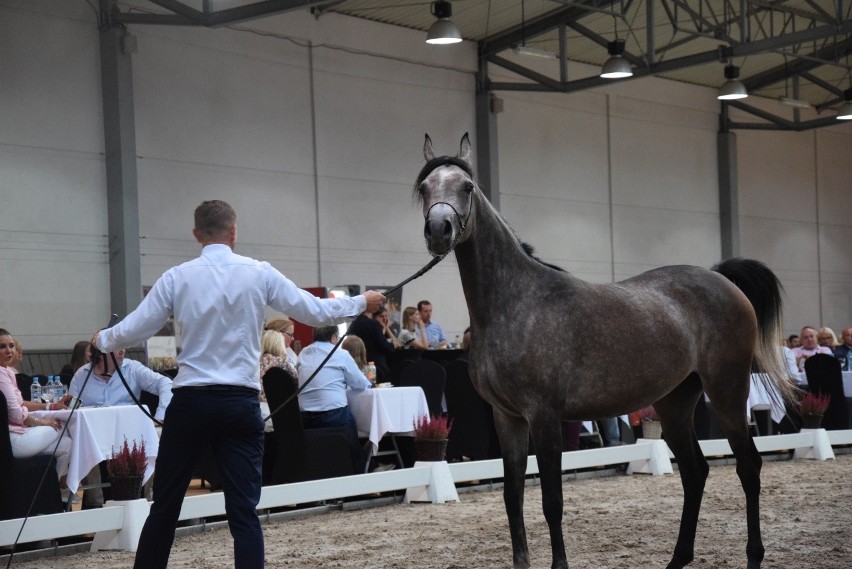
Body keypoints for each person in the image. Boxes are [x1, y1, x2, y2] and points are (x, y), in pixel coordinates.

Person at [92, 200, 384, 569]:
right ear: (234, 232)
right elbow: (315, 310)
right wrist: (363, 301)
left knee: (165, 506)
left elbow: (136, 327)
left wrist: (102, 340)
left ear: (196, 234)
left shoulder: (177, 276)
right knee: (244, 512)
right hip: (240, 404)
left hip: (191, 402)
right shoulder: (259, 273)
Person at [69, 348, 174, 507]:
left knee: (158, 435)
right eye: (117, 346)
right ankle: (95, 502)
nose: (123, 350)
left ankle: (146, 498)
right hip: (95, 434)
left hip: (130, 432)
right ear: (103, 351)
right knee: (80, 440)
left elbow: (165, 382)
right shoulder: (81, 375)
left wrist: (160, 415)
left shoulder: (132, 368)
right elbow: (72, 408)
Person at [0, 328, 73, 496]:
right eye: (2, 346)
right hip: (12, 440)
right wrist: (43, 422)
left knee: (66, 445)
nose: (9, 350)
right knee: (62, 427)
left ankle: (52, 494)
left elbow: (18, 403)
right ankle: (58, 490)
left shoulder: (8, 371)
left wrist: (50, 407)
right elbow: (17, 414)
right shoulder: (2, 374)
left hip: (16, 436)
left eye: (11, 345)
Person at [297, 325, 373, 472]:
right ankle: (361, 471)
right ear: (333, 338)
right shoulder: (340, 354)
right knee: (353, 429)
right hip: (333, 416)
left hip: (305, 417)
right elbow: (360, 383)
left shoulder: (303, 353)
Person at [348, 306, 395, 373]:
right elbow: (384, 345)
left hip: (358, 364)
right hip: (376, 366)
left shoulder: (353, 324)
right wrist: (392, 346)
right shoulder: (373, 324)